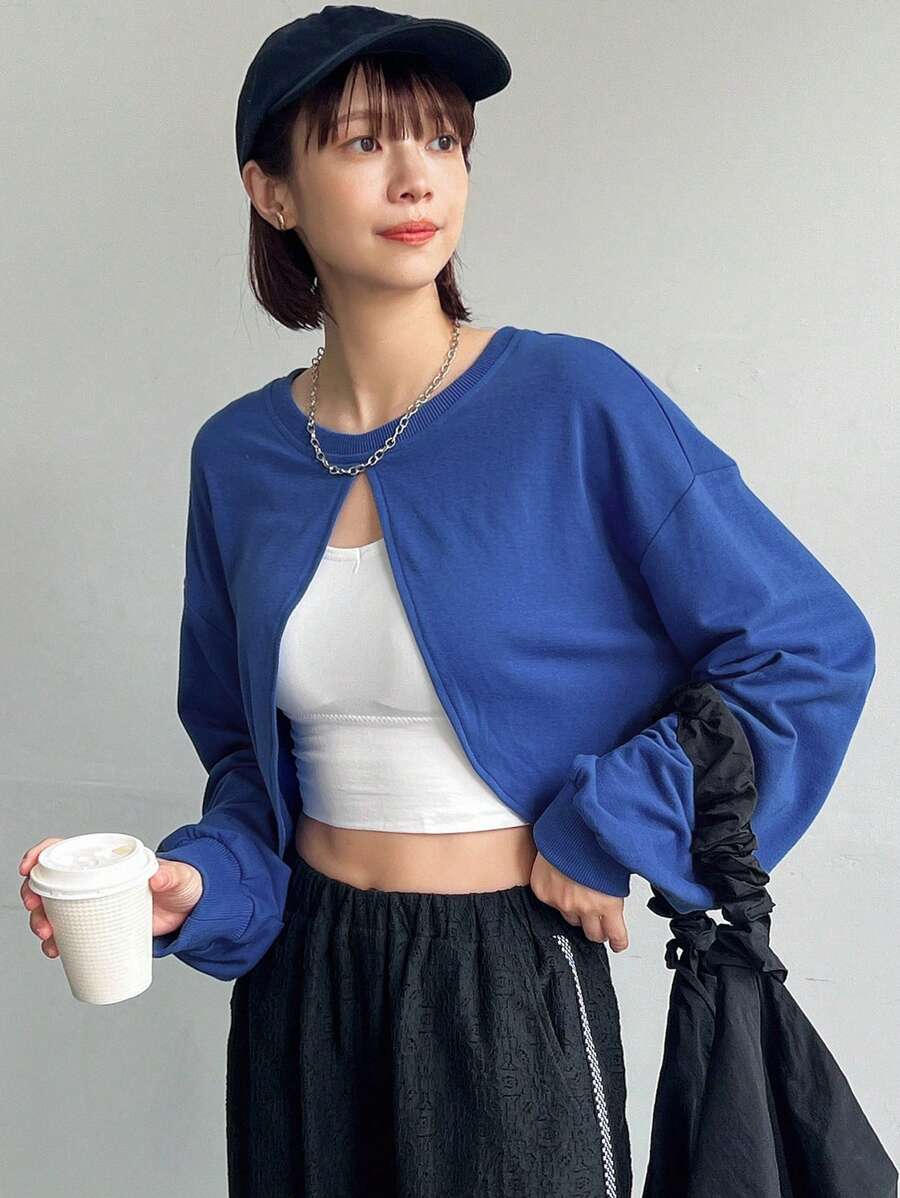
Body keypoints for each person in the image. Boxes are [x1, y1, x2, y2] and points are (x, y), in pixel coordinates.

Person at [20, 8, 876, 1198]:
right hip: (303, 984)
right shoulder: (237, 456)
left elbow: (807, 646)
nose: (418, 175)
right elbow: (247, 760)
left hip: (504, 977)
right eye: (364, 143)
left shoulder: (573, 401)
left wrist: (606, 827)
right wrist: (200, 884)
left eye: (441, 140)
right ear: (273, 192)